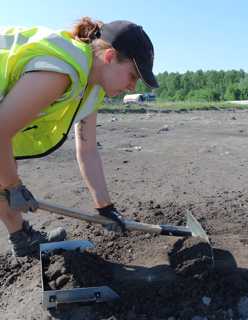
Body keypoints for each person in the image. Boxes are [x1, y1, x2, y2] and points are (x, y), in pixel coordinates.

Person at [0, 17, 159, 257]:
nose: (133, 88)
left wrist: (105, 208)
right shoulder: (61, 70)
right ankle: (22, 237)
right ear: (109, 57)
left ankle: (22, 239)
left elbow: (87, 150)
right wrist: (13, 186)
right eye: (133, 76)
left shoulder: (92, 86)